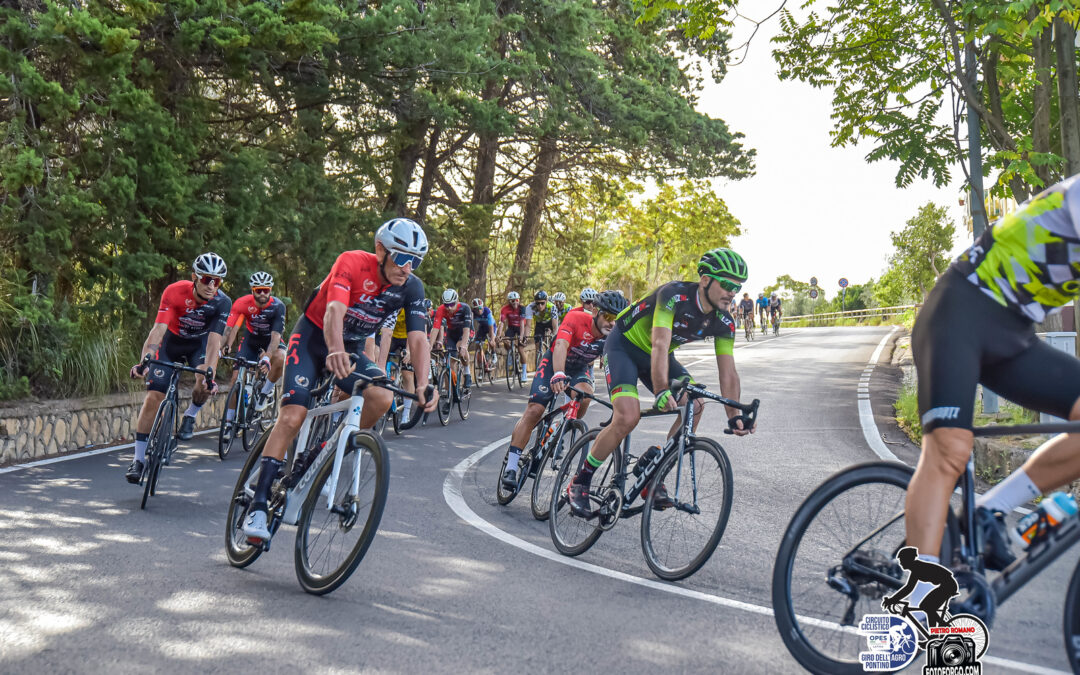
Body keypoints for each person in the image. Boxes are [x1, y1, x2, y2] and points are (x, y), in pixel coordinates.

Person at [904, 175, 1080, 587]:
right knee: (949, 450)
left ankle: (990, 509)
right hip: (959, 313)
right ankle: (915, 599)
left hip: (1013, 336)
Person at [242, 218, 437, 543]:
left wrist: (422, 384)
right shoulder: (353, 263)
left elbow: (419, 339)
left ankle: (324, 450)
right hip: (313, 340)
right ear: (381, 250)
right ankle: (258, 505)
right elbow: (333, 311)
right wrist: (333, 350)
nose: (407, 267)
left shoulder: (411, 287)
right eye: (402, 258)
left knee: (383, 398)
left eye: (415, 261)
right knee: (293, 416)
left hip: (350, 349)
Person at [565, 248, 755, 516]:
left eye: (737, 287)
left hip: (658, 355)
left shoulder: (724, 321)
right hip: (624, 347)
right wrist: (662, 391)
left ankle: (653, 464)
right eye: (726, 284)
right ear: (705, 281)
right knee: (628, 417)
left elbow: (728, 373)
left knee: (696, 404)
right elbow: (659, 343)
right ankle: (580, 481)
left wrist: (734, 415)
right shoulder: (674, 296)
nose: (732, 292)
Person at [500, 291, 629, 488]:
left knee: (586, 396)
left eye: (617, 319)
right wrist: (558, 373)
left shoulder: (614, 335)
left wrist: (618, 403)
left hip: (579, 369)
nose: (612, 323)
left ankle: (561, 427)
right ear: (595, 311)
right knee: (535, 410)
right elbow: (560, 344)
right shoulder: (576, 317)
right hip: (554, 363)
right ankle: (510, 466)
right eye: (609, 317)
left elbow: (616, 369)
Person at [125, 253, 231, 482]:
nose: (211, 286)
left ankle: (191, 414)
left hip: (198, 346)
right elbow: (158, 330)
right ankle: (138, 460)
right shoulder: (174, 292)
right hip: (171, 342)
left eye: (217, 281)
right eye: (206, 279)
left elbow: (214, 342)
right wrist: (145, 361)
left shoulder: (223, 303)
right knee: (153, 397)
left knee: (203, 382)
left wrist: (210, 376)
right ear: (194, 277)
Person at [220, 272, 287, 427]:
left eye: (266, 290)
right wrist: (222, 346)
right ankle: (229, 420)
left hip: (271, 340)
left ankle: (264, 393)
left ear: (270, 290)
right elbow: (229, 329)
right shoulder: (242, 303)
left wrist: (267, 357)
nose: (262, 293)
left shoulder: (278, 306)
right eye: (259, 290)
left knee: (281, 357)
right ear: (252, 290)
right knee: (235, 378)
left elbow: (276, 337)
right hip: (251, 340)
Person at [883, 548, 958, 628]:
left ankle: (940, 629)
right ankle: (937, 630)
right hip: (946, 584)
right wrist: (893, 599)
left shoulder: (917, 569)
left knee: (927, 607)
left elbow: (908, 588)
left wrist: (893, 600)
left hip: (948, 585)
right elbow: (908, 588)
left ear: (908, 560)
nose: (900, 563)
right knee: (927, 607)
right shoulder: (916, 567)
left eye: (901, 560)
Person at [430, 289, 474, 387]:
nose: (449, 307)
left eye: (452, 304)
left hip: (465, 331)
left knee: (460, 347)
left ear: (457, 301)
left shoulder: (465, 308)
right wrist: (429, 346)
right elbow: (436, 328)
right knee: (450, 361)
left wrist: (463, 346)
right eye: (446, 305)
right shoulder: (441, 309)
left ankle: (467, 373)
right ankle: (452, 388)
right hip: (452, 332)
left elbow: (466, 330)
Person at [499, 291, 530, 383]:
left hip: (521, 328)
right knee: (505, 340)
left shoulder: (522, 308)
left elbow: (521, 323)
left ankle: (524, 372)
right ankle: (510, 353)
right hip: (511, 327)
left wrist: (521, 336)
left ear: (519, 300)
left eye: (516, 300)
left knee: (521, 349)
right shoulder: (505, 309)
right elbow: (501, 323)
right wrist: (499, 335)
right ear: (509, 301)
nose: (515, 302)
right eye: (512, 301)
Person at [470, 297, 497, 376]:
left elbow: (491, 328)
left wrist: (492, 339)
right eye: (476, 309)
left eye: (480, 308)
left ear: (482, 306)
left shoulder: (487, 311)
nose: (479, 310)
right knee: (478, 345)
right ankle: (481, 369)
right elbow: (470, 325)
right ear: (474, 309)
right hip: (482, 328)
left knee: (491, 342)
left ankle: (494, 354)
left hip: (491, 327)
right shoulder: (472, 313)